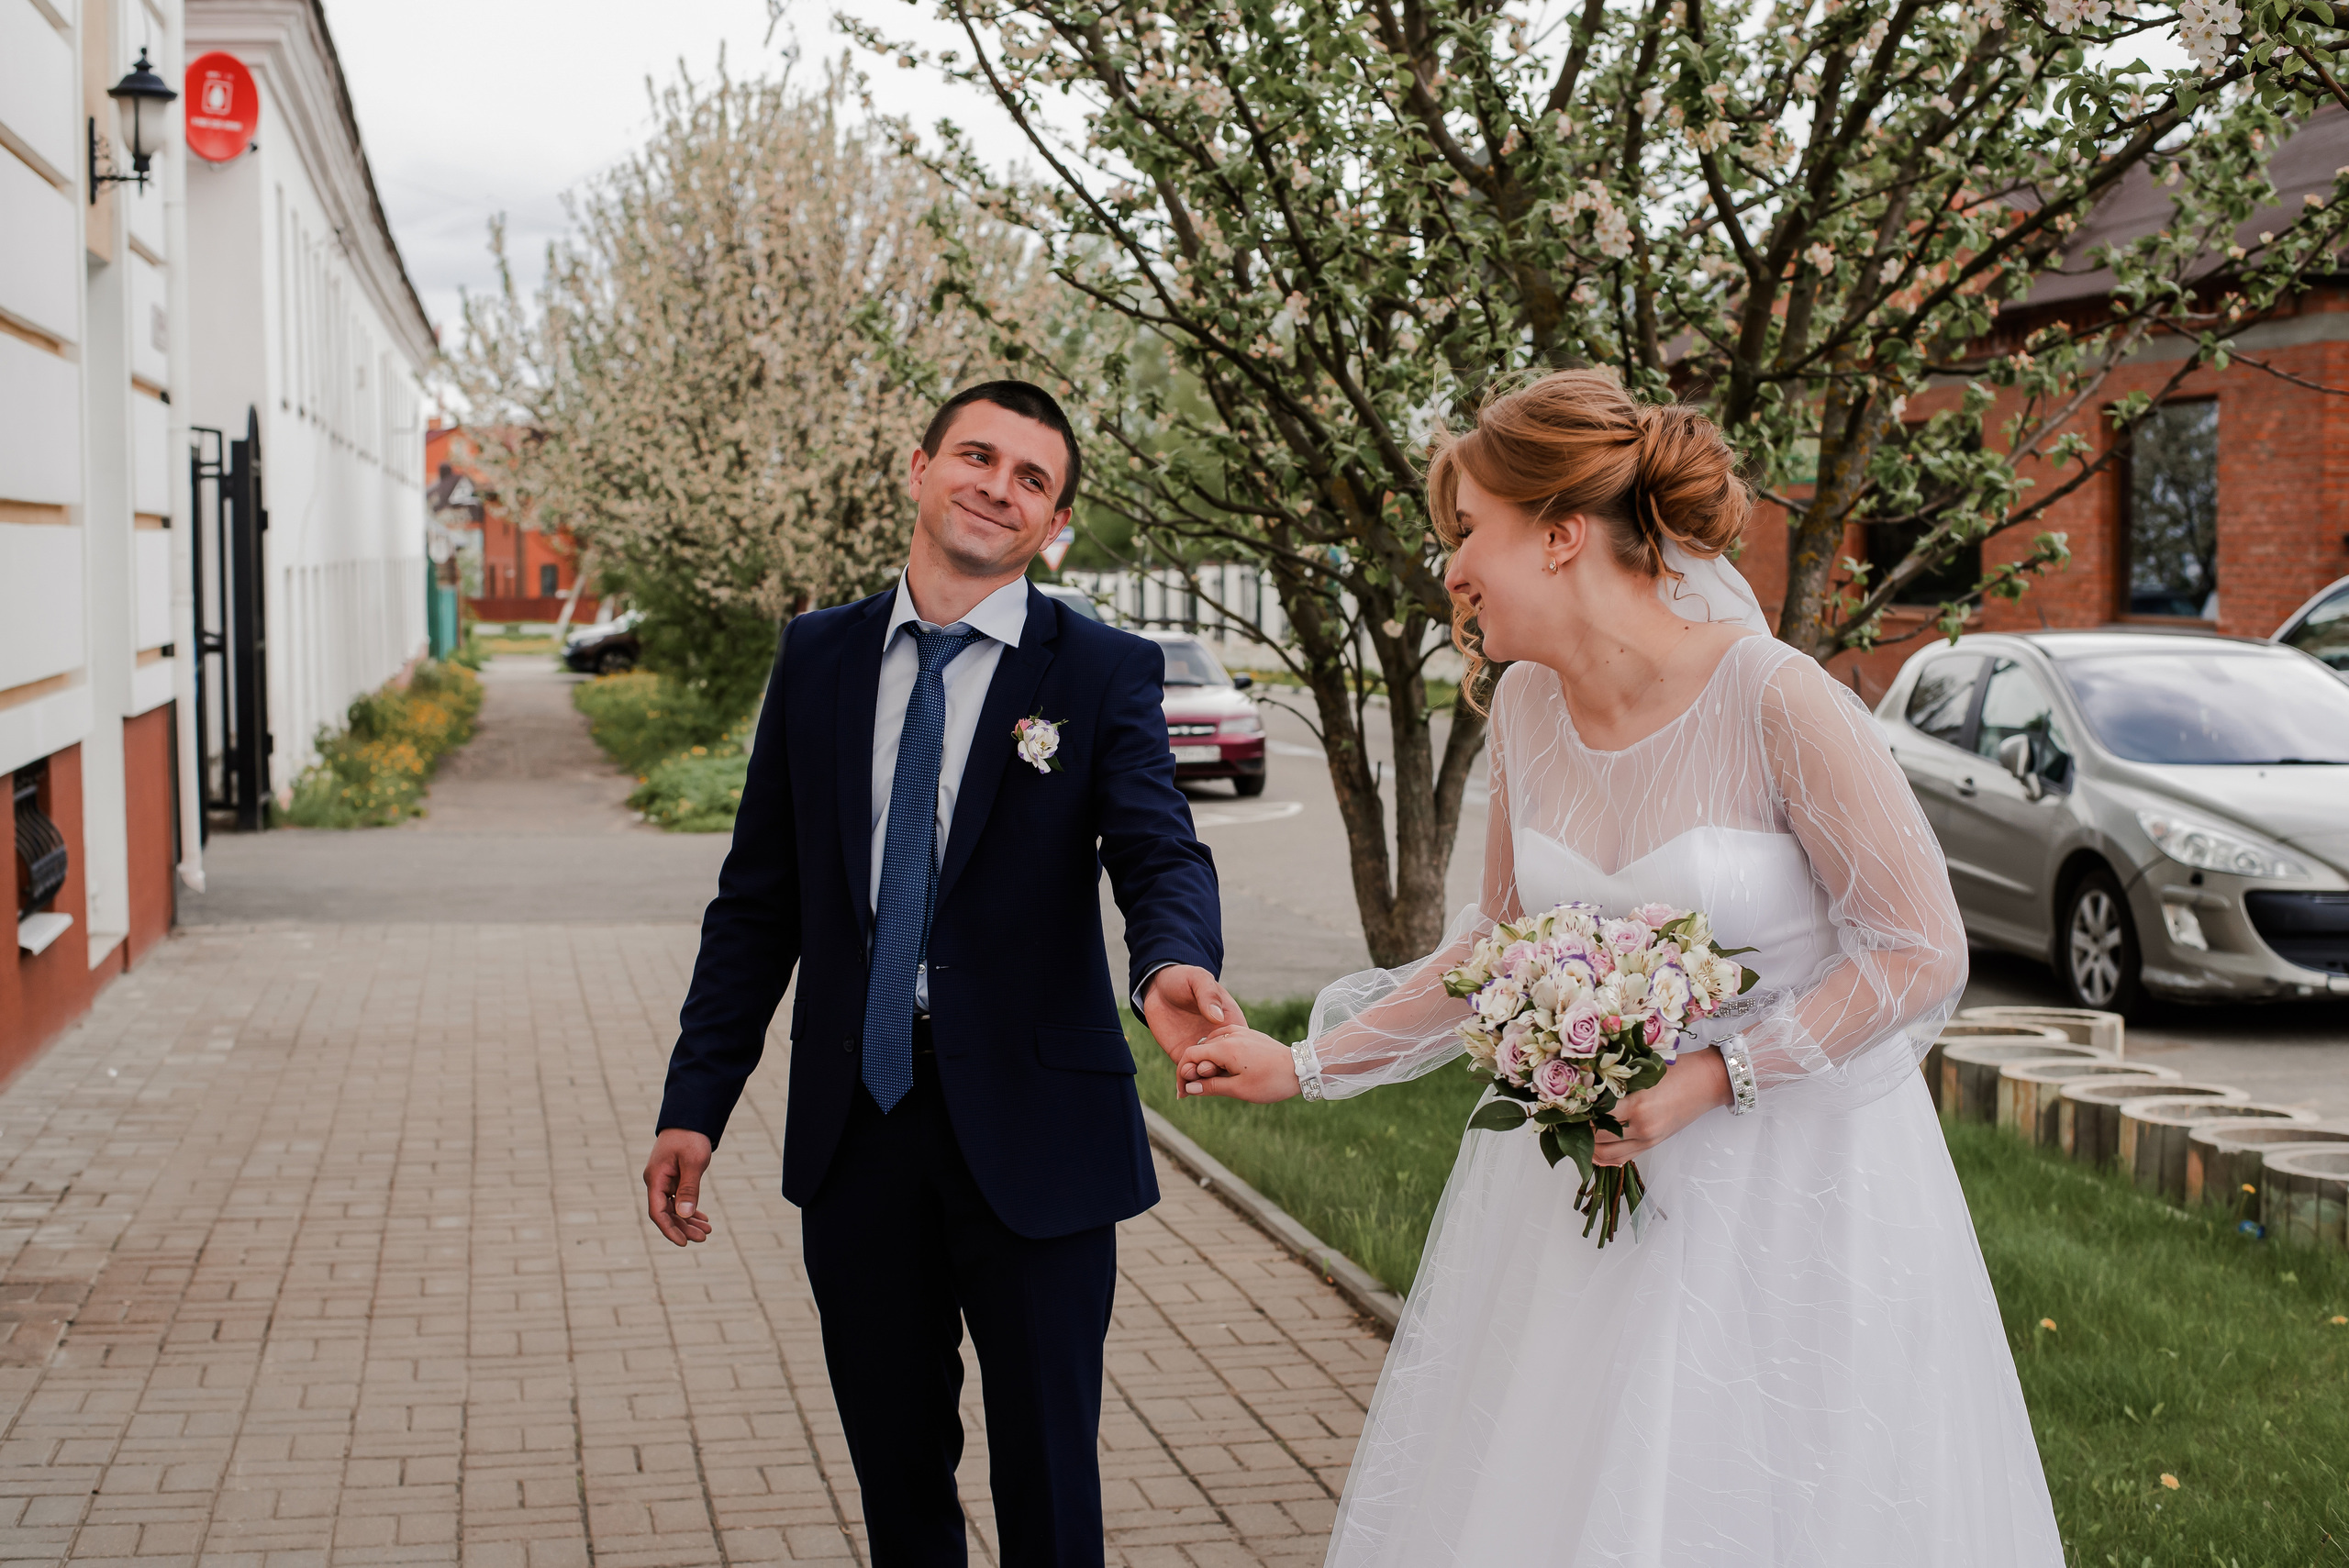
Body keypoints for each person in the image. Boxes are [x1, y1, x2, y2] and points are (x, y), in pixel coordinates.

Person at [1173, 371, 2063, 1565]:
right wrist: (1307, 1062)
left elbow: (1916, 949)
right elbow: (1494, 952)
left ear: (1559, 533)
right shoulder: (1528, 710)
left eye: (1467, 532)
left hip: (1791, 1209)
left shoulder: (1775, 698)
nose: (1452, 568)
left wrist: (1713, 1073)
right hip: (1585, 1219)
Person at [643, 381, 1237, 1567]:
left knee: (1048, 1483)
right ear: (918, 468)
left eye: (1033, 479)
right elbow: (757, 903)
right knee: (897, 1474)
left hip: (1039, 1136)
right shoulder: (816, 657)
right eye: (978, 455)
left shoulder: (1101, 670)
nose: (998, 487)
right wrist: (694, 1100)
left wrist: (1174, 958)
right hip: (859, 1128)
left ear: (1053, 525)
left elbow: (1160, 847)